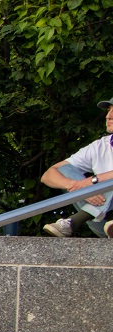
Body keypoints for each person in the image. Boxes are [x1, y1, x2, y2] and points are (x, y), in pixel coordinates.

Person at [41, 98, 113, 238]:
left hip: (98, 213)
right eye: (109, 110)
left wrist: (91, 182)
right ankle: (109, 219)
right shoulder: (99, 146)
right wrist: (78, 187)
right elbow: (48, 175)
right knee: (64, 171)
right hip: (101, 221)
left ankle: (72, 222)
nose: (108, 116)